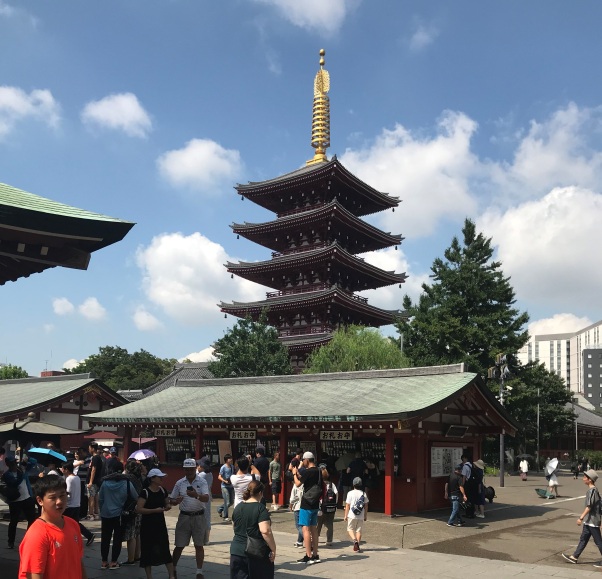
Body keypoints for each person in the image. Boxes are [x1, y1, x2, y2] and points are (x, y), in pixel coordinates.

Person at [18, 475, 87, 579]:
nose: (59, 501)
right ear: (40, 500)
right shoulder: (37, 534)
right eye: (53, 498)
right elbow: (34, 575)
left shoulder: (73, 524)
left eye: (62, 495)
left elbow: (78, 562)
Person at [169, 458, 210, 579]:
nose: (189, 472)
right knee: (179, 545)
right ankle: (173, 568)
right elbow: (171, 500)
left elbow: (206, 498)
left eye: (191, 469)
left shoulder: (202, 481)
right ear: (184, 470)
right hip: (184, 516)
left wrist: (196, 495)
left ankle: (199, 571)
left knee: (199, 545)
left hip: (199, 516)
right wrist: (175, 501)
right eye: (186, 470)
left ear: (195, 469)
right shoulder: (179, 483)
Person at [230, 479, 276, 579]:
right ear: (260, 492)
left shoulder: (238, 507)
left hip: (236, 550)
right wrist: (273, 549)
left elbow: (234, 526)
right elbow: (265, 531)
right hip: (255, 552)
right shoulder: (260, 508)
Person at [98, 461, 138, 570]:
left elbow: (100, 499)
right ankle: (114, 562)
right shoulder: (127, 483)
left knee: (105, 538)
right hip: (120, 515)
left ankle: (104, 561)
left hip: (106, 514)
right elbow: (135, 497)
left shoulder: (105, 483)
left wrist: (102, 510)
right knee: (117, 539)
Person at [137, 468, 175, 579]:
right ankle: (149, 576)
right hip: (147, 525)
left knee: (165, 548)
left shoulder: (162, 490)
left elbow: (166, 502)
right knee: (147, 550)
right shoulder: (145, 492)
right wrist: (154, 510)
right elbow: (139, 509)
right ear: (152, 479)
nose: (162, 479)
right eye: (159, 477)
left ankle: (171, 575)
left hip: (160, 524)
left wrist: (168, 506)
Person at [562, 469, 602, 566]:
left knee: (598, 542)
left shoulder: (592, 491)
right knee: (583, 539)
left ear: (590, 480)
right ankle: (575, 557)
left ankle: (575, 556)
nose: (583, 479)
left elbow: (589, 506)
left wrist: (581, 518)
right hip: (589, 521)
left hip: (592, 520)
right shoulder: (591, 490)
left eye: (585, 477)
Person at [2, 454, 38, 549]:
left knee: (31, 519)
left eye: (15, 463)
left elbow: (34, 462)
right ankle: (11, 541)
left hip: (27, 498)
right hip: (15, 501)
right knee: (14, 521)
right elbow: (14, 483)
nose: (14, 465)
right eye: (12, 464)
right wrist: (22, 473)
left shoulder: (21, 469)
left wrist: (27, 459)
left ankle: (29, 538)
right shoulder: (7, 475)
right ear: (8, 465)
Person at [293, 451, 321, 564]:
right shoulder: (319, 470)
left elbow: (298, 484)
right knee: (314, 529)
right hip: (315, 502)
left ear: (306, 460)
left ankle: (308, 555)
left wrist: (295, 473)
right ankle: (315, 554)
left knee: (305, 529)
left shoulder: (308, 472)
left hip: (307, 502)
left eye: (303, 460)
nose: (302, 462)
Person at [61, 461, 95, 546]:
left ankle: (70, 539)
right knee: (75, 524)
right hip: (76, 504)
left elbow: (68, 492)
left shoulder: (69, 479)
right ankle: (88, 535)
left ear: (66, 469)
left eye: (62, 468)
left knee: (66, 523)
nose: (61, 470)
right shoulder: (77, 478)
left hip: (70, 505)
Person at [121, 460, 145, 566]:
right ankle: (137, 555)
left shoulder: (127, 478)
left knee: (131, 535)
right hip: (140, 507)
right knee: (137, 533)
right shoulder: (140, 478)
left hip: (131, 508)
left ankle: (130, 559)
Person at [344, 476, 368, 552]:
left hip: (352, 514)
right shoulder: (364, 494)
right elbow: (366, 505)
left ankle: (355, 541)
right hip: (360, 515)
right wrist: (365, 515)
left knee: (350, 529)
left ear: (353, 484)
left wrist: (345, 515)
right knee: (359, 530)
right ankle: (357, 546)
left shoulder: (350, 493)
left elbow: (347, 505)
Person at [316, 467, 338, 546]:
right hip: (331, 507)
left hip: (322, 507)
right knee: (330, 524)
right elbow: (336, 494)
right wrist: (335, 503)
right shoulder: (332, 484)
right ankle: (329, 540)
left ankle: (316, 538)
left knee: (318, 524)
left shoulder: (320, 484)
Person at [196, 456, 213, 545]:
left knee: (200, 517)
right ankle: (206, 539)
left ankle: (201, 538)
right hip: (208, 496)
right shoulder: (210, 474)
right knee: (207, 516)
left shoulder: (202, 475)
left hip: (201, 497)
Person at [86, 442, 103, 520]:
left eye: (89, 448)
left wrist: (90, 481)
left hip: (93, 481)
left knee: (91, 497)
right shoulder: (98, 457)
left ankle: (91, 514)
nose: (89, 449)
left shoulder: (95, 458)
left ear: (93, 448)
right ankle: (96, 513)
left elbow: (93, 469)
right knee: (95, 496)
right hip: (97, 481)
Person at [218, 454, 234, 522]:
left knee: (231, 502)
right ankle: (225, 516)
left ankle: (220, 509)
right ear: (226, 460)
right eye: (229, 458)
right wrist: (225, 481)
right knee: (227, 502)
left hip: (231, 486)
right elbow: (219, 476)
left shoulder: (232, 467)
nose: (231, 460)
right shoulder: (223, 467)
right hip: (224, 486)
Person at [289, 481, 304, 547]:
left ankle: (308, 537)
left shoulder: (296, 485)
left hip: (298, 506)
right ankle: (299, 542)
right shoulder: (306, 484)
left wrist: (291, 505)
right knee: (302, 525)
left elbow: (292, 498)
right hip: (305, 506)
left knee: (298, 526)